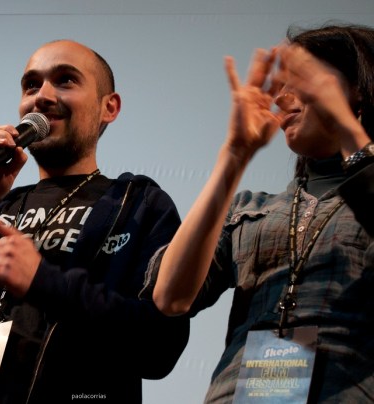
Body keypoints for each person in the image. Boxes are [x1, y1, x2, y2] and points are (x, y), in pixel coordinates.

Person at [0, 39, 189, 403]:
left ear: (109, 107)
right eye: (31, 85)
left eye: (65, 80)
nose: (43, 97)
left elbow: (160, 344)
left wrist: (44, 281)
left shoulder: (137, 205)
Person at [149, 23, 374, 402]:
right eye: (280, 86)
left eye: (301, 80)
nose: (281, 98)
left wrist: (348, 128)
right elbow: (171, 297)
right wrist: (235, 154)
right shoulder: (251, 208)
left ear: (356, 88)